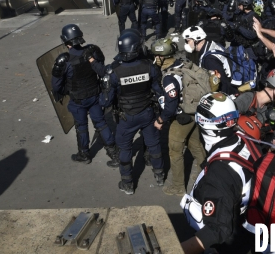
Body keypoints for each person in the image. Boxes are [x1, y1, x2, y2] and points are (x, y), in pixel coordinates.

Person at [180, 92, 260, 254]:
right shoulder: (244, 138)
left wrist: (177, 250)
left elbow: (218, 230)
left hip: (231, 240)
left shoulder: (220, 172)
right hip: (248, 219)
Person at [89, 31, 164, 194]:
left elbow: (105, 101)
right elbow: (159, 92)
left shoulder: (114, 71)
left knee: (125, 150)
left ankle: (128, 184)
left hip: (126, 117)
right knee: (154, 145)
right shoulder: (149, 66)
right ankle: (159, 176)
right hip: (147, 113)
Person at [50, 24, 119, 166]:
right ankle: (114, 154)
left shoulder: (65, 60)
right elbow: (101, 68)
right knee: (101, 123)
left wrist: (66, 90)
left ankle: (84, 154)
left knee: (81, 126)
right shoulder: (92, 52)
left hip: (77, 100)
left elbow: (56, 86)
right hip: (94, 96)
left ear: (66, 41)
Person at [151, 38, 207, 196]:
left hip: (181, 118)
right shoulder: (183, 63)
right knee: (196, 145)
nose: (154, 58)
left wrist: (160, 120)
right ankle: (205, 173)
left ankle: (177, 187)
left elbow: (170, 105)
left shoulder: (169, 78)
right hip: (195, 112)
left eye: (156, 55)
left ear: (161, 56)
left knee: (175, 151)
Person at [182, 25, 236, 95]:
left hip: (227, 94)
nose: (186, 44)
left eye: (188, 41)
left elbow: (221, 82)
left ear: (196, 40)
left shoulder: (209, 59)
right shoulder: (212, 45)